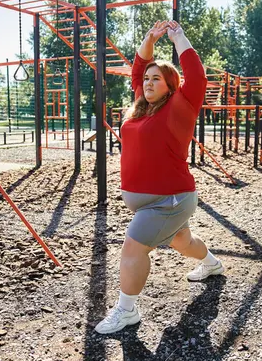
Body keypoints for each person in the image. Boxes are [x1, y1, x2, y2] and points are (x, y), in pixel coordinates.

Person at [95, 20, 225, 335]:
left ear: (171, 86)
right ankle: (212, 264)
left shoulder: (179, 107)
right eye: (148, 79)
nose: (148, 82)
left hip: (169, 201)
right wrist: (148, 38)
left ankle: (126, 310)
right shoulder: (143, 107)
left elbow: (197, 76)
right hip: (155, 203)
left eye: (157, 78)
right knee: (183, 241)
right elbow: (138, 69)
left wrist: (177, 35)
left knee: (133, 248)